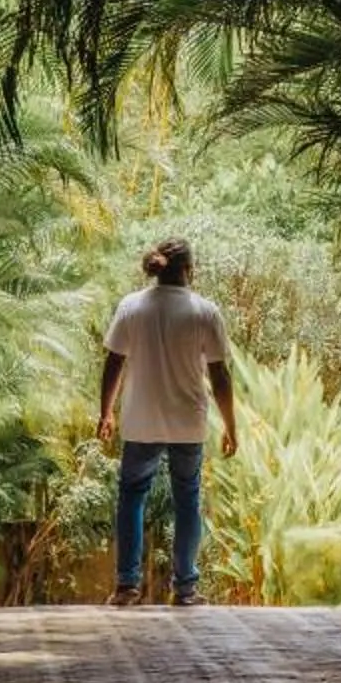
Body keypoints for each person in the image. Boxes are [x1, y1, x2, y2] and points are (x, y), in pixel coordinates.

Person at [97, 238, 236, 606]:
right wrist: (230, 426)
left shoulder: (132, 306)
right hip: (187, 422)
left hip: (141, 421)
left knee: (131, 497)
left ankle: (127, 586)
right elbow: (220, 375)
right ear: (190, 270)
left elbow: (114, 362)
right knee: (187, 500)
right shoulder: (204, 311)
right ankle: (185, 588)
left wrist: (105, 412)